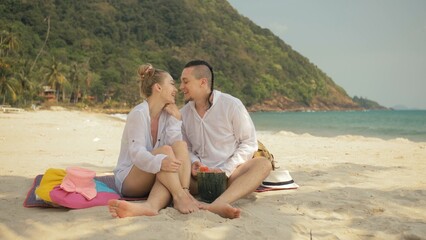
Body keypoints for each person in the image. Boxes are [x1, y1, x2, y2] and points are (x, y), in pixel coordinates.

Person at [179, 60, 273, 219]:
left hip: (231, 176)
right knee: (168, 166)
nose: (181, 87)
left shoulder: (231, 105)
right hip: (198, 180)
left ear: (203, 82)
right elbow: (185, 148)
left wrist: (226, 171)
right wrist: (194, 162)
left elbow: (249, 143)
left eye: (185, 81)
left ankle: (220, 202)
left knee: (263, 164)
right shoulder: (183, 114)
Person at [108, 63, 199, 218]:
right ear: (158, 87)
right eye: (171, 84)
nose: (176, 89)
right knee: (165, 151)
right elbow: (137, 153)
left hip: (155, 174)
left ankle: (158, 203)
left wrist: (177, 118)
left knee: (180, 145)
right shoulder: (139, 114)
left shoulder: (168, 114)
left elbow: (176, 145)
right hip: (130, 179)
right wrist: (160, 162)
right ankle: (179, 196)